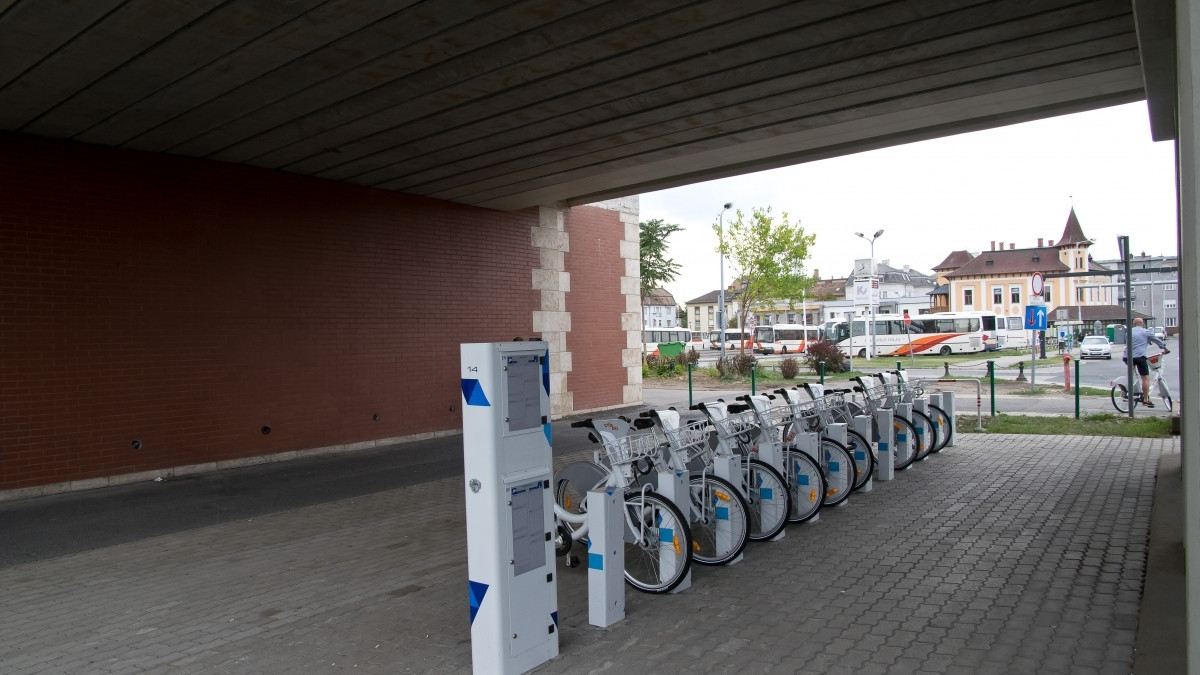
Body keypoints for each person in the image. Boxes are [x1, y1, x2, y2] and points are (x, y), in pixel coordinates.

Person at [1127, 317, 1169, 406]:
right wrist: (1165, 349)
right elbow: (1157, 341)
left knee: (1133, 375)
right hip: (1139, 357)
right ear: (1143, 324)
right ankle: (1146, 399)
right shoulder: (1146, 332)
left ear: (1134, 324)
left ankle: (1132, 391)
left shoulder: (1129, 332)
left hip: (1127, 357)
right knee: (1145, 378)